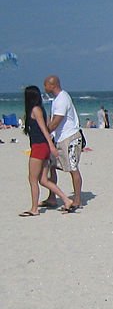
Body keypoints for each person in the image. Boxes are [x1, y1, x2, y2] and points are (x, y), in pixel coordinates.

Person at [20, 85, 72, 216]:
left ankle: (34, 209)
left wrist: (51, 145)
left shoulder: (35, 110)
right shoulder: (41, 109)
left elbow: (45, 129)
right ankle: (66, 199)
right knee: (43, 180)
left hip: (39, 147)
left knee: (32, 179)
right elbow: (48, 126)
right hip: (42, 146)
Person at [43, 75, 85, 211]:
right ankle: (51, 197)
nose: (44, 88)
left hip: (70, 137)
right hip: (59, 139)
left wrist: (43, 131)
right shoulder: (56, 99)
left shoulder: (62, 99)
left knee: (73, 168)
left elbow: (55, 122)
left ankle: (77, 200)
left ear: (52, 85)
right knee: (52, 166)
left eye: (46, 85)